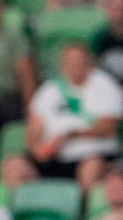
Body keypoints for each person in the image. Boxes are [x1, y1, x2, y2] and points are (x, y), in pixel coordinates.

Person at [27, 44, 123, 192]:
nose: (75, 64)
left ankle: (83, 205)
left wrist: (70, 135)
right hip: (53, 158)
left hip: (94, 156)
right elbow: (34, 128)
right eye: (70, 61)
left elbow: (108, 128)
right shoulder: (49, 90)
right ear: (62, 65)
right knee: (15, 166)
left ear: (89, 61)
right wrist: (40, 149)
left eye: (79, 60)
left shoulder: (106, 86)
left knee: (92, 165)